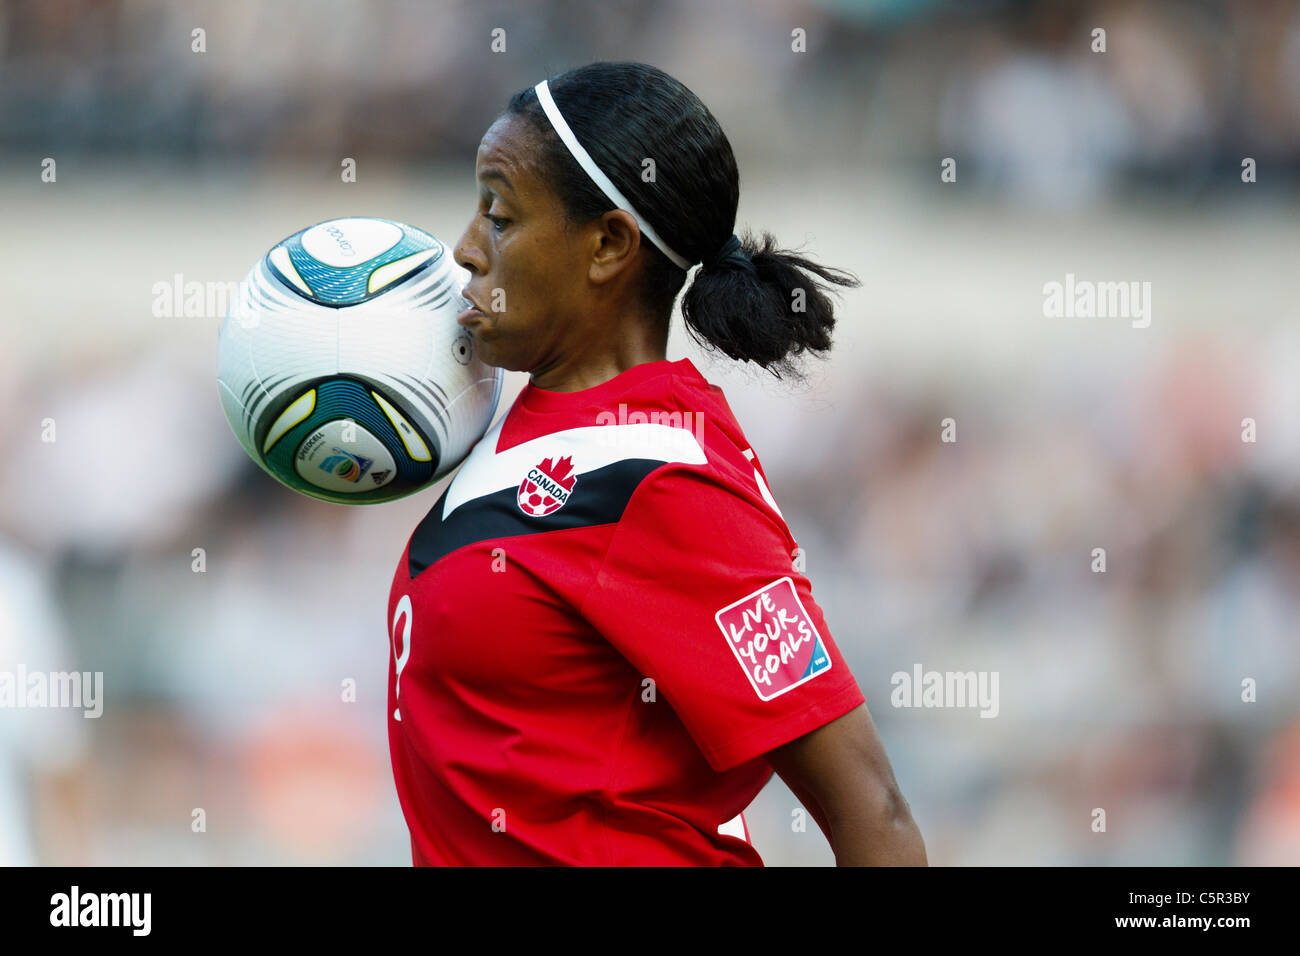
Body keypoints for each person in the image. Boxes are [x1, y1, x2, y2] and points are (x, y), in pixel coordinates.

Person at [386, 61, 926, 866]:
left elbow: (872, 815)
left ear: (607, 244)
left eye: (498, 214)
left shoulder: (662, 477)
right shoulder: (518, 426)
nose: (466, 248)